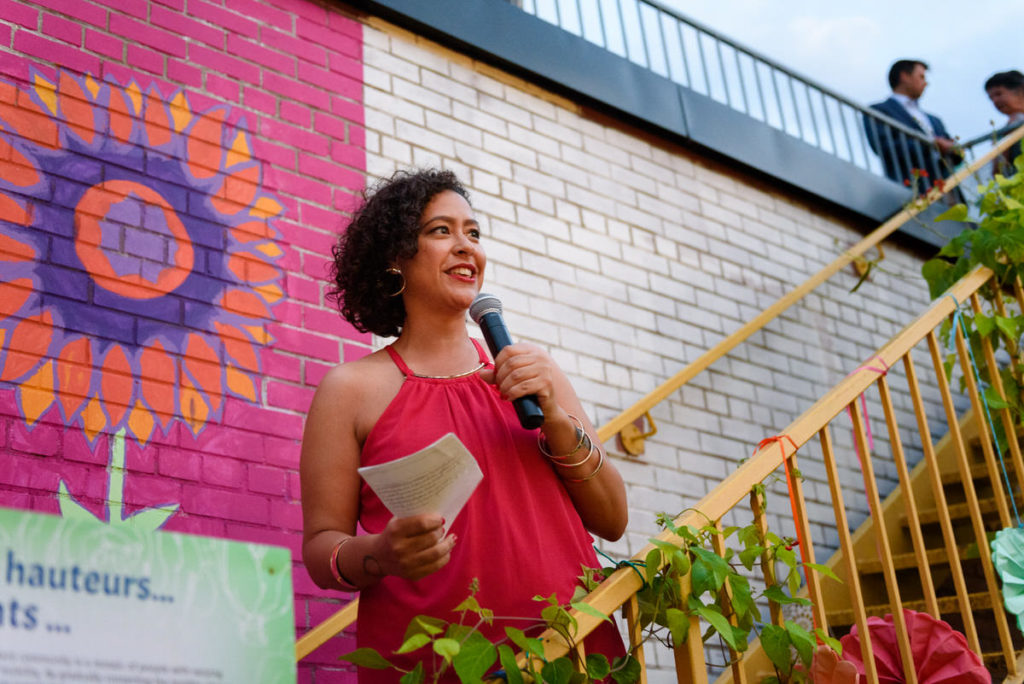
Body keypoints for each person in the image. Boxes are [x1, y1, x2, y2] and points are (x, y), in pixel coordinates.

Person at [300, 169, 628, 682]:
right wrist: (381, 554)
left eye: (473, 233)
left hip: (571, 651)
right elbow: (323, 548)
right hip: (434, 664)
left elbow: (613, 520)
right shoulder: (350, 390)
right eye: (440, 231)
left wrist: (558, 421)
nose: (465, 247)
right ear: (394, 258)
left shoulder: (531, 372)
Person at [864, 59, 961, 185]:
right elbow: (883, 147)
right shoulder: (879, 111)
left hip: (947, 186)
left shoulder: (935, 120)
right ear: (904, 76)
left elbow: (956, 154)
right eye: (921, 77)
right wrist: (931, 144)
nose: (926, 83)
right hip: (910, 186)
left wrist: (952, 149)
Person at [984, 69, 1024, 174]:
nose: (995, 101)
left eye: (999, 94)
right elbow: (998, 172)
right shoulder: (1003, 133)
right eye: (991, 98)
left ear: (1020, 90)